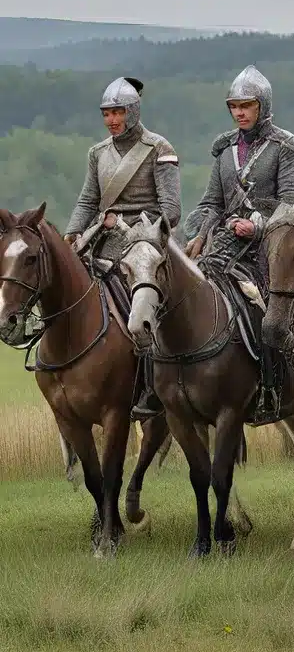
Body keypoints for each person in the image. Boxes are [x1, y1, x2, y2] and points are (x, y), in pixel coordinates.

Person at [185, 65, 294, 423]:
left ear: (263, 106)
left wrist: (256, 229)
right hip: (221, 247)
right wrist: (199, 231)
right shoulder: (224, 150)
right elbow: (212, 202)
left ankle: (272, 387)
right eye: (234, 106)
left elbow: (292, 208)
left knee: (266, 316)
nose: (239, 112)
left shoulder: (285, 148)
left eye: (246, 105)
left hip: (269, 251)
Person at [65, 76, 181, 419]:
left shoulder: (159, 148)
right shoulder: (97, 153)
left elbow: (171, 211)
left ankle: (152, 385)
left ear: (132, 112)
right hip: (102, 239)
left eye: (118, 112)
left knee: (145, 307)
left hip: (145, 243)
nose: (112, 120)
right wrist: (73, 232)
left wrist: (128, 225)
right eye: (107, 114)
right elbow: (89, 200)